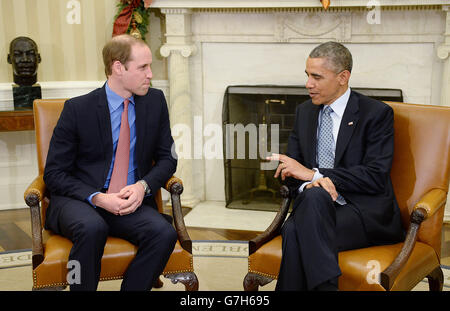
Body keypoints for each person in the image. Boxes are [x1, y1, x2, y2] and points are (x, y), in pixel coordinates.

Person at [43, 34, 177, 291]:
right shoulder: (77, 109)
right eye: (143, 67)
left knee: (163, 233)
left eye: (150, 67)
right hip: (80, 200)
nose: (150, 74)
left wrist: (142, 187)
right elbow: (54, 173)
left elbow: (168, 157)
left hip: (127, 200)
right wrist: (97, 197)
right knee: (91, 228)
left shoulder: (155, 101)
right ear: (118, 67)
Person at [267, 41, 405, 291]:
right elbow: (291, 171)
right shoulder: (304, 112)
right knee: (314, 198)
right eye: (307, 75)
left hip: (362, 211)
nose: (308, 84)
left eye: (316, 77)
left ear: (343, 77)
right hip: (316, 208)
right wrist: (311, 183)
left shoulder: (376, 114)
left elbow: (375, 175)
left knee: (294, 231)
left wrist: (315, 175)